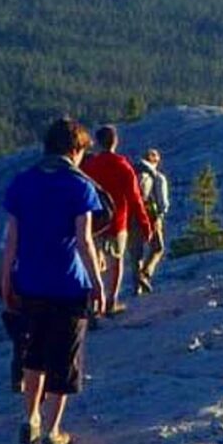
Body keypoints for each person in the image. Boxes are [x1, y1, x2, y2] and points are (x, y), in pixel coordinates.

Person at [0, 118, 107, 444]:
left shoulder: (22, 183)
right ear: (75, 150)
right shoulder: (80, 187)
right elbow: (85, 241)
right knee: (64, 358)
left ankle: (30, 417)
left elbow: (11, 240)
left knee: (34, 354)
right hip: (68, 284)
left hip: (29, 282)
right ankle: (52, 430)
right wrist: (98, 284)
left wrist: (4, 279)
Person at [80, 124, 153, 316]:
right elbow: (135, 198)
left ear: (97, 143)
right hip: (117, 221)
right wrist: (145, 225)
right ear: (115, 142)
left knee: (93, 262)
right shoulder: (123, 165)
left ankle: (93, 304)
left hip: (93, 222)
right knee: (116, 261)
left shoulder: (89, 166)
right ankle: (111, 301)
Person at [132, 147, 170, 295]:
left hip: (132, 215)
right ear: (155, 160)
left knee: (136, 252)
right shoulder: (157, 176)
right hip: (150, 215)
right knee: (158, 247)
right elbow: (163, 202)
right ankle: (145, 274)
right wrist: (161, 214)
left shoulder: (133, 172)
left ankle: (137, 287)